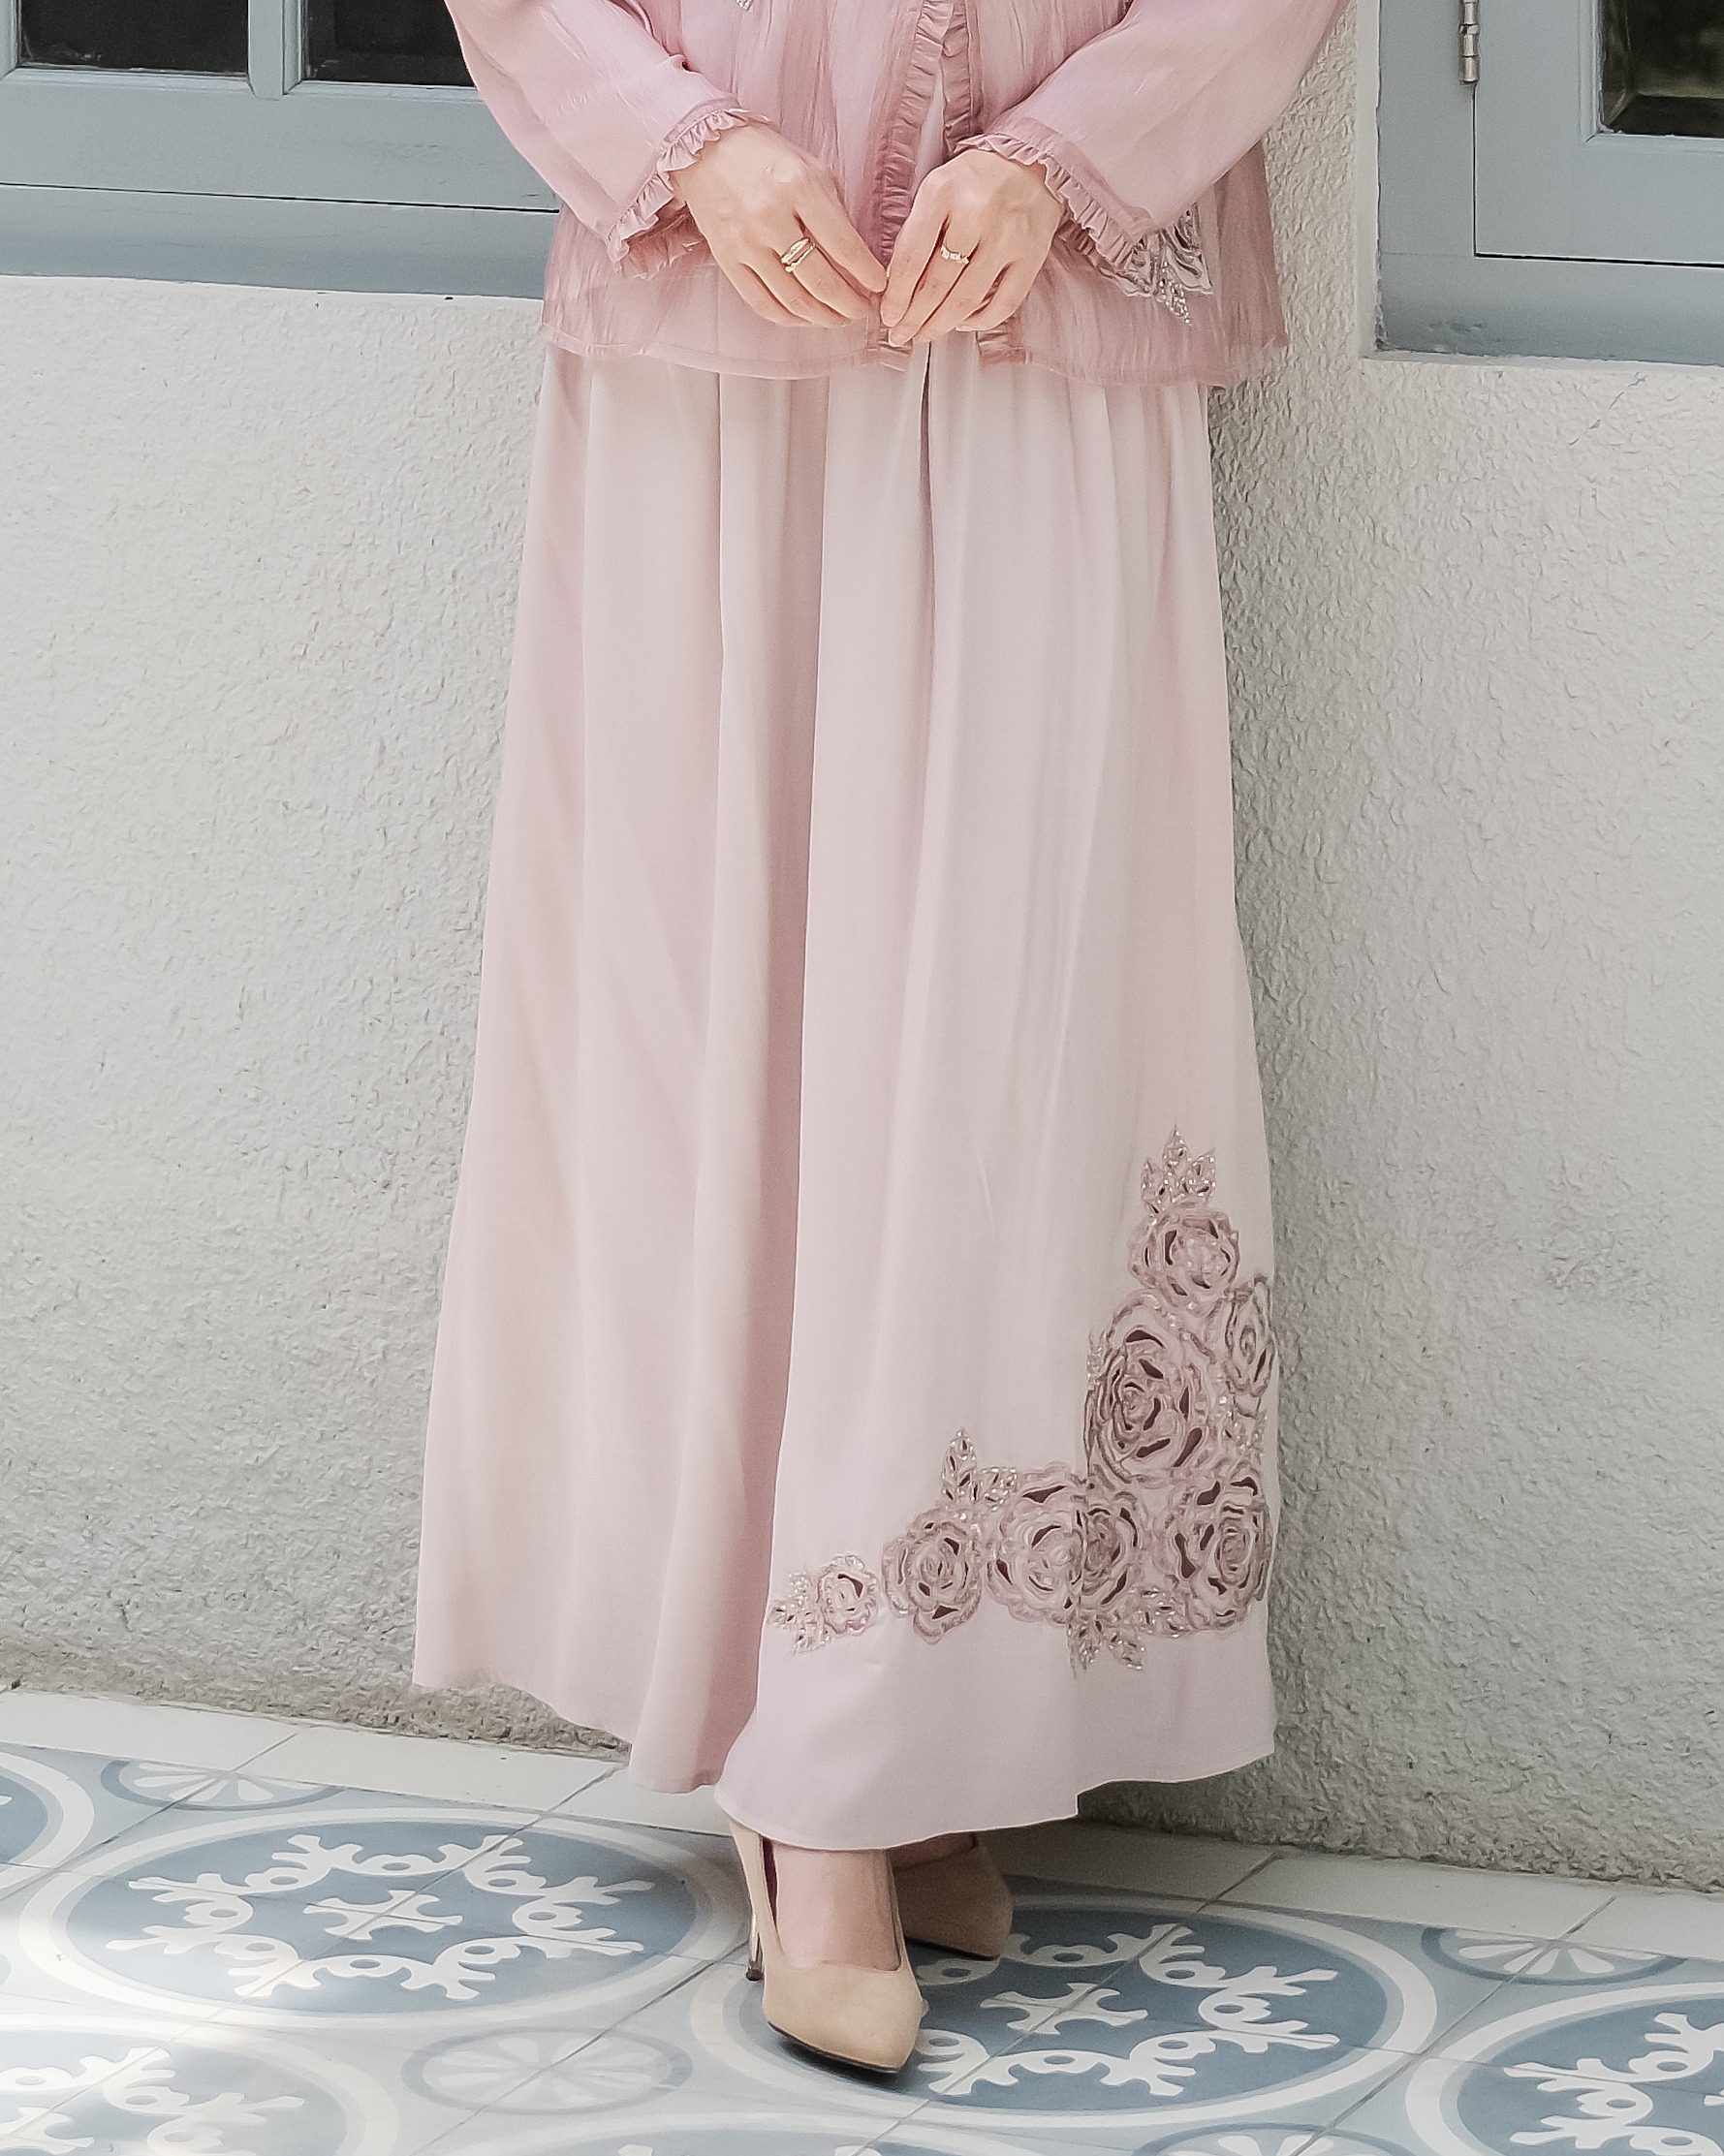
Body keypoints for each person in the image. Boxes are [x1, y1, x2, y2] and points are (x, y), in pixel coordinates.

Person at [414, 0, 1343, 2075]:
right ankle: (812, 1776)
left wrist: (1062, 159)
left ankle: (899, 1721)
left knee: (1001, 1027)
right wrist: (691, 149)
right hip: (718, 309)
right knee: (716, 1012)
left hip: (1031, 305)